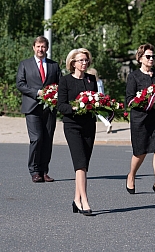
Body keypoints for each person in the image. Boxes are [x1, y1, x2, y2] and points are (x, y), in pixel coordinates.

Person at [125, 43, 155, 197]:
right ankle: (131, 174)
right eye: (148, 56)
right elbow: (129, 100)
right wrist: (144, 99)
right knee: (140, 151)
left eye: (153, 56)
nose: (151, 59)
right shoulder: (133, 76)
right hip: (140, 118)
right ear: (140, 58)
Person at [16, 36, 62, 183]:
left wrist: (55, 94)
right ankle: (34, 171)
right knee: (36, 139)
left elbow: (61, 84)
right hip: (32, 107)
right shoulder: (25, 65)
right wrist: (37, 92)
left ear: (47, 48)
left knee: (47, 140)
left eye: (43, 46)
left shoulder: (54, 65)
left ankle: (44, 171)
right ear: (33, 47)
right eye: (38, 46)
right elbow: (20, 84)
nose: (40, 49)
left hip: (49, 108)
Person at [57, 48, 97, 216]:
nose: (84, 63)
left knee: (84, 165)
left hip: (89, 125)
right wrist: (75, 107)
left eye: (86, 60)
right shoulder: (65, 81)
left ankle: (76, 199)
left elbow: (96, 99)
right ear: (72, 63)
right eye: (81, 60)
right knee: (80, 163)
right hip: (72, 125)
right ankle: (85, 201)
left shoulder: (91, 79)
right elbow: (61, 105)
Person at [87, 67, 112, 133]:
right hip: (102, 97)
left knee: (97, 113)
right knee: (101, 112)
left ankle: (107, 123)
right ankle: (107, 122)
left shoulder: (93, 82)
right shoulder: (100, 81)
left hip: (96, 98)